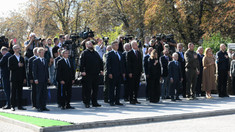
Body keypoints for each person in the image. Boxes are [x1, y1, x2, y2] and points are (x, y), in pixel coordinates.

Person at [80, 41, 103, 108]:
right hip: (87, 74)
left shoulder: (96, 53)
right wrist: (82, 71)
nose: (91, 45)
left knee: (95, 89)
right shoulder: (84, 53)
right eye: (89, 44)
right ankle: (87, 102)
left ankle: (94, 102)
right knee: (87, 89)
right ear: (86, 45)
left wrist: (101, 70)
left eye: (91, 44)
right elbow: (81, 63)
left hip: (96, 74)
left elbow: (100, 61)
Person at [8, 45, 27, 111]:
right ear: (14, 49)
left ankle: (20, 106)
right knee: (13, 92)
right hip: (14, 78)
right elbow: (10, 68)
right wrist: (17, 65)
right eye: (17, 48)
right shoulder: (11, 58)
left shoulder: (22, 58)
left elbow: (24, 68)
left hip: (20, 77)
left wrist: (24, 78)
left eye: (19, 48)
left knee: (20, 92)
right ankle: (12, 106)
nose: (18, 50)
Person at [106, 41, 124, 106]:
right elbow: (108, 64)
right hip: (113, 73)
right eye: (116, 45)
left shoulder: (120, 53)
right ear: (112, 46)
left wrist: (123, 72)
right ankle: (111, 101)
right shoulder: (110, 54)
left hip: (119, 73)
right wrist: (109, 73)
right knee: (112, 88)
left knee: (118, 88)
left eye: (117, 45)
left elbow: (122, 64)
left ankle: (117, 101)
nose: (117, 46)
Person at [33, 47, 50, 112]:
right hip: (39, 79)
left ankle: (43, 106)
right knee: (39, 93)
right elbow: (34, 71)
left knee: (44, 93)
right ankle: (39, 106)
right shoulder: (36, 61)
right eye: (41, 52)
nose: (42, 53)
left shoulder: (45, 60)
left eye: (43, 52)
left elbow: (46, 70)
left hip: (45, 79)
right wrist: (35, 79)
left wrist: (48, 78)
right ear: (38, 53)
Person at [127, 40, 143, 104]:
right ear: (132, 45)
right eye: (135, 44)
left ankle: (135, 98)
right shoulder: (129, 53)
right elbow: (128, 64)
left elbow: (140, 63)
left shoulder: (139, 53)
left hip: (138, 72)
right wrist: (130, 72)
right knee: (131, 86)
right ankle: (131, 99)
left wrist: (141, 71)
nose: (137, 45)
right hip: (132, 72)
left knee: (136, 86)